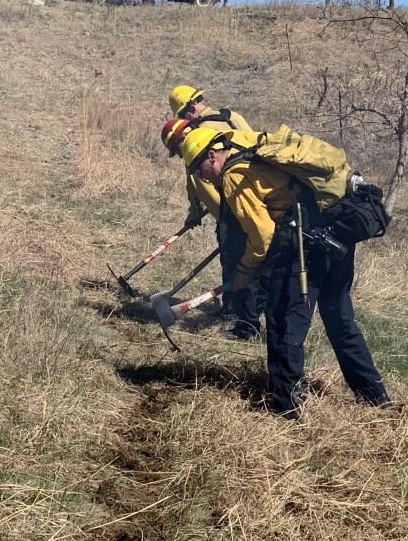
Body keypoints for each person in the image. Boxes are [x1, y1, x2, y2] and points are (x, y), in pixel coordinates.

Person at [179, 127, 392, 418]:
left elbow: (262, 236)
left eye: (199, 168)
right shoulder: (254, 158)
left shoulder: (234, 177)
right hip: (336, 235)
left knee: (283, 321)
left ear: (213, 156)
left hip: (305, 247)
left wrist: (245, 271)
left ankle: (287, 407)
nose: (201, 177)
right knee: (340, 319)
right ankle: (375, 397)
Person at [162, 115, 264, 339]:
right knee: (245, 265)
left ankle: (246, 325)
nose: (180, 155)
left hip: (240, 211)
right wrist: (194, 211)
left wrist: (226, 221)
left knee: (242, 265)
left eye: (177, 150)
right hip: (243, 208)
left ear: (182, 138)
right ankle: (244, 315)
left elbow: (211, 188)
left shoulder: (203, 151)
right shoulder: (214, 141)